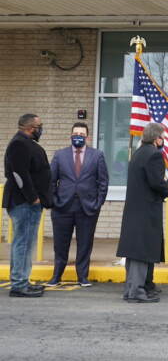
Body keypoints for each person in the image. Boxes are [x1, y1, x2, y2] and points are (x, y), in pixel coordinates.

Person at [47, 122, 109, 287]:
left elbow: (103, 182)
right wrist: (54, 201)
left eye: (82, 134)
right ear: (71, 135)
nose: (78, 136)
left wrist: (98, 203)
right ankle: (56, 276)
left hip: (87, 208)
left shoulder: (97, 155)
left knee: (85, 243)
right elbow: (51, 180)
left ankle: (82, 277)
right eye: (76, 133)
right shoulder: (60, 155)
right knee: (60, 243)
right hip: (62, 207)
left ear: (87, 137)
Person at [116, 123, 168, 303]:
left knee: (135, 252)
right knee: (141, 252)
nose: (163, 140)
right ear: (157, 138)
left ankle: (132, 288)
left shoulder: (139, 153)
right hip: (146, 211)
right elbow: (156, 182)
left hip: (135, 210)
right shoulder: (154, 155)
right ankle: (136, 292)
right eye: (163, 137)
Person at [3, 113, 51, 298]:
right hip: (23, 203)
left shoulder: (26, 143)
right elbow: (18, 174)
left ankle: (23, 280)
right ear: (31, 128)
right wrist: (32, 197)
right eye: (39, 126)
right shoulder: (19, 144)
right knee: (22, 243)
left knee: (26, 243)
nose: (41, 129)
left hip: (29, 203)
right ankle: (19, 284)